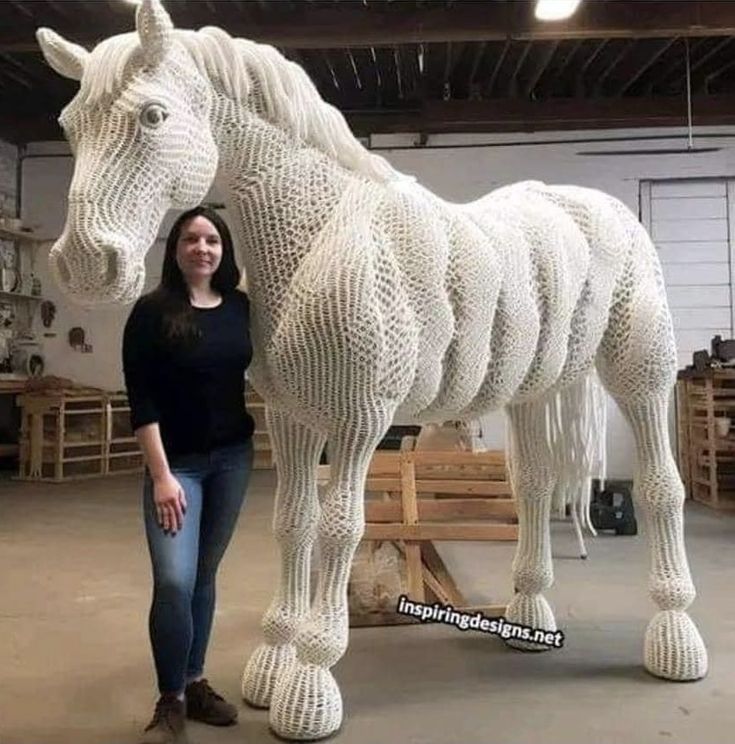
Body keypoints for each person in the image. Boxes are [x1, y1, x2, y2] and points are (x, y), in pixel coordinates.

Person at [122, 206, 255, 744]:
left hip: (232, 460)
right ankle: (170, 694)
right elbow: (142, 400)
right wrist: (160, 477)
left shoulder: (242, 308)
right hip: (175, 466)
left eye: (212, 240)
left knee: (203, 575)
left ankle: (195, 680)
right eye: (191, 239)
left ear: (224, 251)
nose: (203, 248)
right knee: (174, 580)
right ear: (175, 250)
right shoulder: (152, 312)